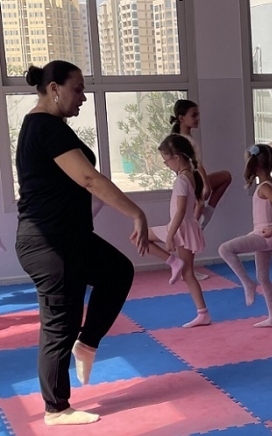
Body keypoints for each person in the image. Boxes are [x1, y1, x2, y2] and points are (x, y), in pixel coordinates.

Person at [14, 60, 149, 426]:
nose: (83, 97)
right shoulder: (46, 127)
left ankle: (87, 344)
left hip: (68, 238)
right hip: (49, 243)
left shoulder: (46, 126)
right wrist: (136, 213)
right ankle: (56, 409)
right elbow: (89, 179)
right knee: (60, 324)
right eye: (77, 89)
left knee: (117, 271)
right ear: (53, 88)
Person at [218, 144, 272, 327]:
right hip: (264, 235)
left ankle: (247, 283)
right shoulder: (270, 184)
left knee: (225, 249)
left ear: (255, 166)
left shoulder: (265, 187)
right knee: (263, 277)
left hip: (263, 236)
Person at [145, 134, 210, 328]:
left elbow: (181, 210)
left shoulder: (182, 179)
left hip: (179, 227)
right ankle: (203, 313)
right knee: (188, 273)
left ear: (177, 157)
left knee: (140, 236)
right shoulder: (190, 175)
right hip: (186, 226)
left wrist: (171, 235)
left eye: (166, 161)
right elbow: (194, 205)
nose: (166, 165)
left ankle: (173, 262)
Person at [170, 99, 232, 230]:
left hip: (191, 180)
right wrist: (206, 184)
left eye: (197, 115)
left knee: (225, 177)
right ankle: (201, 222)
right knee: (193, 218)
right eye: (193, 115)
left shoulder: (183, 137)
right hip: (193, 181)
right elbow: (196, 163)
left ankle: (204, 216)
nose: (197, 118)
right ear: (181, 118)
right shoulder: (183, 140)